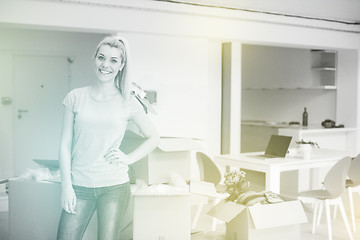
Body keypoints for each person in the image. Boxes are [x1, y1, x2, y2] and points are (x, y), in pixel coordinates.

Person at [57, 35, 160, 240]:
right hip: (79, 185)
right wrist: (66, 187)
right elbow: (65, 145)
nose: (106, 65)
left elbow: (153, 137)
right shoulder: (75, 97)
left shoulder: (128, 101)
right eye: (101, 58)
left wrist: (128, 158)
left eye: (113, 60)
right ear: (94, 59)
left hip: (114, 186)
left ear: (121, 65)